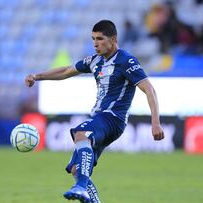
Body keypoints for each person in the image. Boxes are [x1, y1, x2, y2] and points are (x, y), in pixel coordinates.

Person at [25, 20, 165, 203]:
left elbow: (150, 90)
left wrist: (156, 123)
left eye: (100, 39)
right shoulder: (95, 60)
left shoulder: (126, 60)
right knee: (77, 169)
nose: (95, 43)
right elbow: (67, 70)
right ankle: (90, 196)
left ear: (113, 39)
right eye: (93, 39)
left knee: (81, 134)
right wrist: (37, 76)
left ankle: (81, 188)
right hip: (100, 117)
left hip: (113, 118)